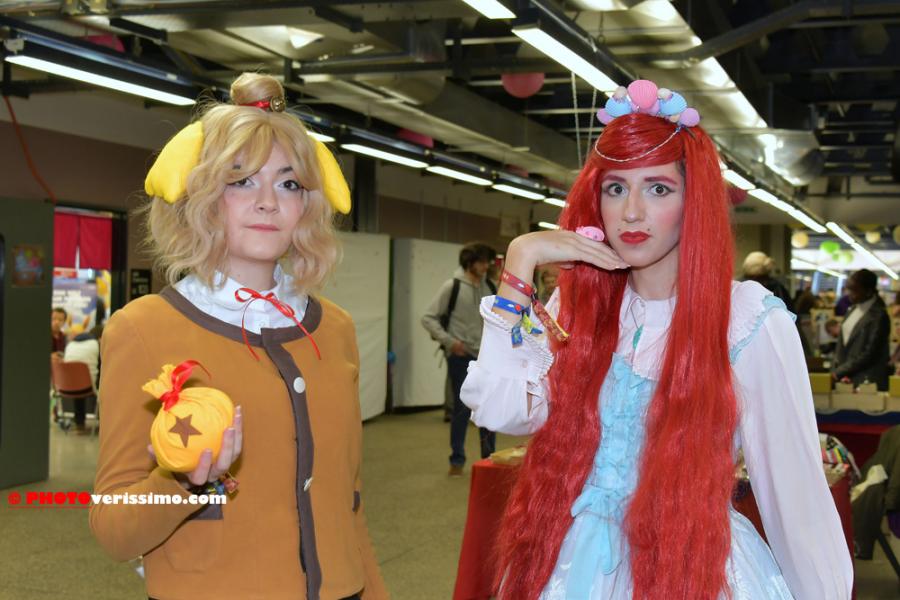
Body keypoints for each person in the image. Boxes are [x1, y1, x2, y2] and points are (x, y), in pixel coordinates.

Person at [460, 80, 852, 599]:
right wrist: (520, 263)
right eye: (615, 188)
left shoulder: (747, 320)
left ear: (693, 202)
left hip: (693, 567)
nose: (632, 212)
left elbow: (795, 495)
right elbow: (501, 411)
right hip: (568, 565)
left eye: (658, 188)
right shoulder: (577, 307)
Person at [89, 73, 387, 600]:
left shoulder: (334, 329)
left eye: (289, 184)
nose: (268, 202)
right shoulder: (143, 329)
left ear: (307, 204)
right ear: (201, 196)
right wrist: (183, 482)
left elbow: (349, 499)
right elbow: (113, 528)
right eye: (241, 180)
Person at [421, 242, 497, 476]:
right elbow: (428, 318)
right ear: (469, 262)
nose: (486, 266)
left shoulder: (491, 286)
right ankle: (457, 459)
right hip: (460, 358)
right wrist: (451, 342)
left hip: (487, 358)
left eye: (487, 262)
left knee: (488, 410)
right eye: (481, 262)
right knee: (462, 410)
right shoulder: (451, 287)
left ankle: (489, 460)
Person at [833, 269, 891, 390]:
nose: (849, 293)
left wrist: (840, 371)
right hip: (847, 378)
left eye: (854, 290)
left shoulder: (879, 315)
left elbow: (871, 353)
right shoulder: (852, 309)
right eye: (849, 289)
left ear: (868, 291)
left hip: (867, 380)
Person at [63, 320, 103, 433]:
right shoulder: (96, 344)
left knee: (79, 380)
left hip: (67, 385)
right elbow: (103, 367)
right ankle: (105, 423)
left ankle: (79, 423)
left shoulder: (71, 344)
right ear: (100, 337)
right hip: (88, 387)